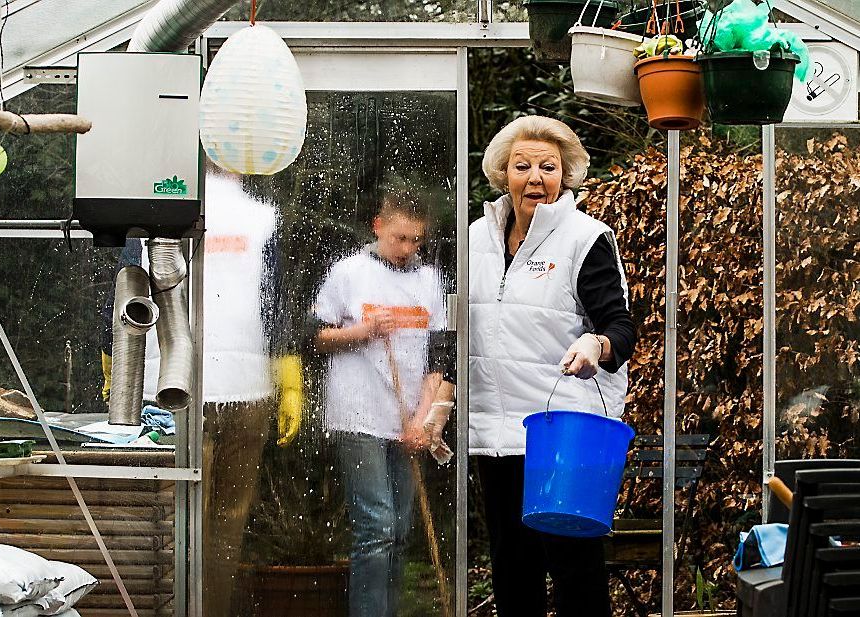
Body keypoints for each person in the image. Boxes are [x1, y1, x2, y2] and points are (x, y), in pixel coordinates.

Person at [100, 166, 303, 617]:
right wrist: (286, 363)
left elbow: (126, 286)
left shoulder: (156, 213)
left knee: (175, 520)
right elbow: (277, 295)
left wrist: (114, 358)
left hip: (181, 385)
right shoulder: (262, 215)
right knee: (219, 525)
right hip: (213, 388)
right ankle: (205, 608)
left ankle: (185, 609)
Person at [467, 115, 636, 617]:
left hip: (562, 432)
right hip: (492, 431)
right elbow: (456, 328)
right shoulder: (475, 238)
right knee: (511, 567)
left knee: (574, 569)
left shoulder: (585, 239)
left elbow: (622, 329)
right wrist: (441, 398)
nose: (535, 177)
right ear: (503, 174)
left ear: (566, 177)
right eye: (523, 166)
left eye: (548, 166)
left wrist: (595, 345)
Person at [311, 189, 447, 617]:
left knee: (400, 529)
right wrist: (364, 330)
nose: (407, 249)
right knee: (377, 527)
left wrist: (423, 421)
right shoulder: (349, 272)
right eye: (399, 238)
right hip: (358, 413)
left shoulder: (428, 281)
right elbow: (315, 337)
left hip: (408, 415)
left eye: (416, 241)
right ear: (378, 227)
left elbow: (438, 355)